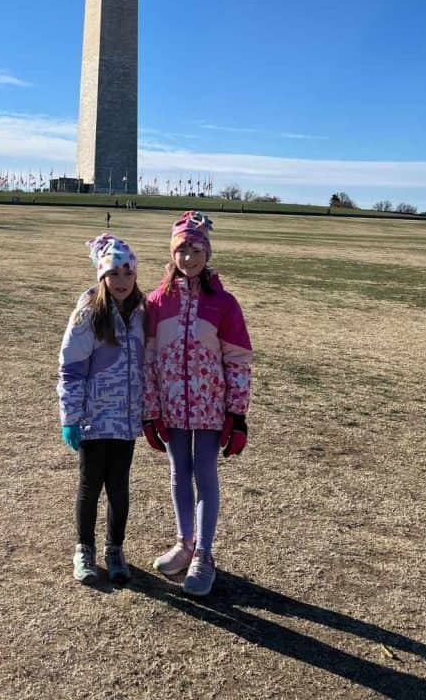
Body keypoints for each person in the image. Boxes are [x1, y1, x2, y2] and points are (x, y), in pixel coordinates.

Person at [143, 211, 252, 596]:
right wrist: (150, 410)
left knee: (205, 476)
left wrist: (237, 414)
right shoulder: (157, 302)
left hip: (210, 408)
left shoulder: (223, 303)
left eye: (195, 249)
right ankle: (184, 542)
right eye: (181, 250)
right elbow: (149, 359)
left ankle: (204, 554)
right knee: (178, 473)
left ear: (206, 252)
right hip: (172, 408)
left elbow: (237, 360)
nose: (187, 258)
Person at [57, 234, 145, 585]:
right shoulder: (88, 314)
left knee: (119, 487)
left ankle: (115, 548)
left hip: (125, 421)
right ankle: (85, 549)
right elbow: (70, 368)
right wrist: (71, 418)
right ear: (101, 276)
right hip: (94, 421)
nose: (121, 281)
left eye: (127, 273)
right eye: (113, 274)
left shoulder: (141, 313)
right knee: (90, 487)